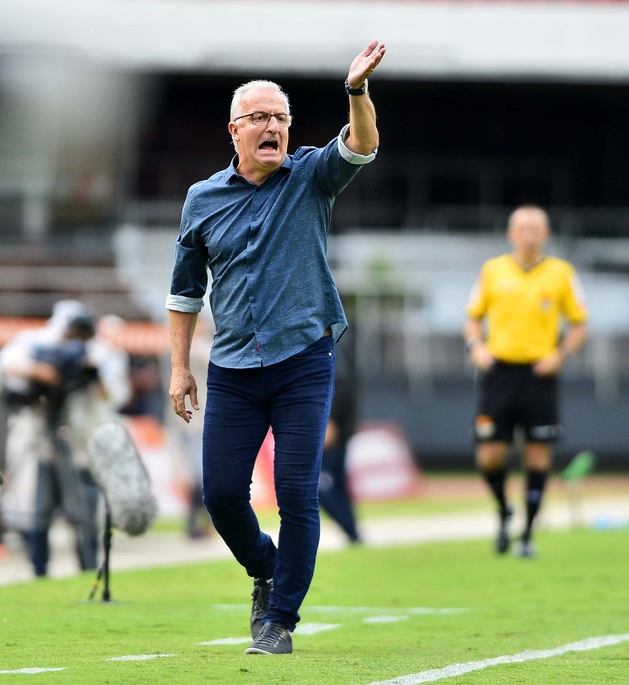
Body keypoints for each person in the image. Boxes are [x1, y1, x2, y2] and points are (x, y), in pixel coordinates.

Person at [167, 40, 385, 655]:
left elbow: (362, 146)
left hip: (302, 363)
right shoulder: (201, 200)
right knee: (223, 496)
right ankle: (265, 568)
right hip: (233, 368)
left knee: (296, 490)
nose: (273, 127)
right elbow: (184, 294)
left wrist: (357, 91)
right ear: (234, 131)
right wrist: (180, 369)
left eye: (281, 118)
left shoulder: (312, 176)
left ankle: (278, 619)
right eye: (260, 118)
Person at [463, 204, 589, 558]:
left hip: (539, 374)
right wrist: (477, 347)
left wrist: (560, 355)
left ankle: (528, 533)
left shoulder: (561, 274)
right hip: (499, 373)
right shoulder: (492, 271)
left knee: (537, 454)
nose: (529, 233)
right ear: (511, 233)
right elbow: (472, 318)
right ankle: (504, 509)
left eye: (536, 227)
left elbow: (580, 324)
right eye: (522, 227)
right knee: (489, 454)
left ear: (546, 234)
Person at [0, 300, 127, 577]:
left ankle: (89, 566)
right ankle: (39, 568)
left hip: (81, 445)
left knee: (83, 507)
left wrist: (92, 373)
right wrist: (41, 371)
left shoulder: (100, 354)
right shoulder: (36, 345)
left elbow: (116, 395)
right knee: (40, 506)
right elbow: (8, 363)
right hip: (43, 439)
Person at [319, 326, 361, 545]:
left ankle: (351, 530)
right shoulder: (342, 333)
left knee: (321, 485)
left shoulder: (334, 336)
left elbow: (340, 381)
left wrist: (331, 419)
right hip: (339, 424)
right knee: (337, 484)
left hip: (332, 426)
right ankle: (353, 532)